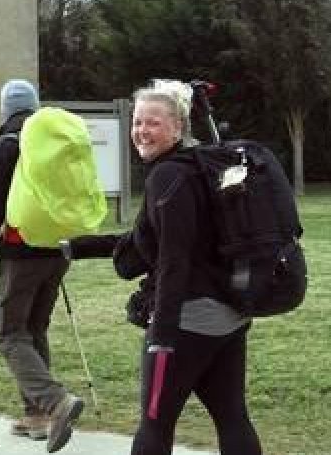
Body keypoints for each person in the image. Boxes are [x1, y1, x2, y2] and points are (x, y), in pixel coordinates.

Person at [68, 79, 262, 455]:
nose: (142, 131)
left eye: (153, 123)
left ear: (177, 127)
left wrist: (162, 333)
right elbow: (150, 241)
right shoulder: (201, 167)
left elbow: (175, 259)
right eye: (138, 122)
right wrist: (77, 248)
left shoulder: (167, 177)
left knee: (155, 426)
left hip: (186, 322)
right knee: (232, 416)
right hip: (228, 316)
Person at [0, 80, 84, 452]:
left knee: (8, 331)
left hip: (21, 250)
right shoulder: (55, 142)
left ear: (5, 108)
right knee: (33, 327)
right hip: (58, 249)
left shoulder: (7, 145)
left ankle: (55, 402)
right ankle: (38, 415)